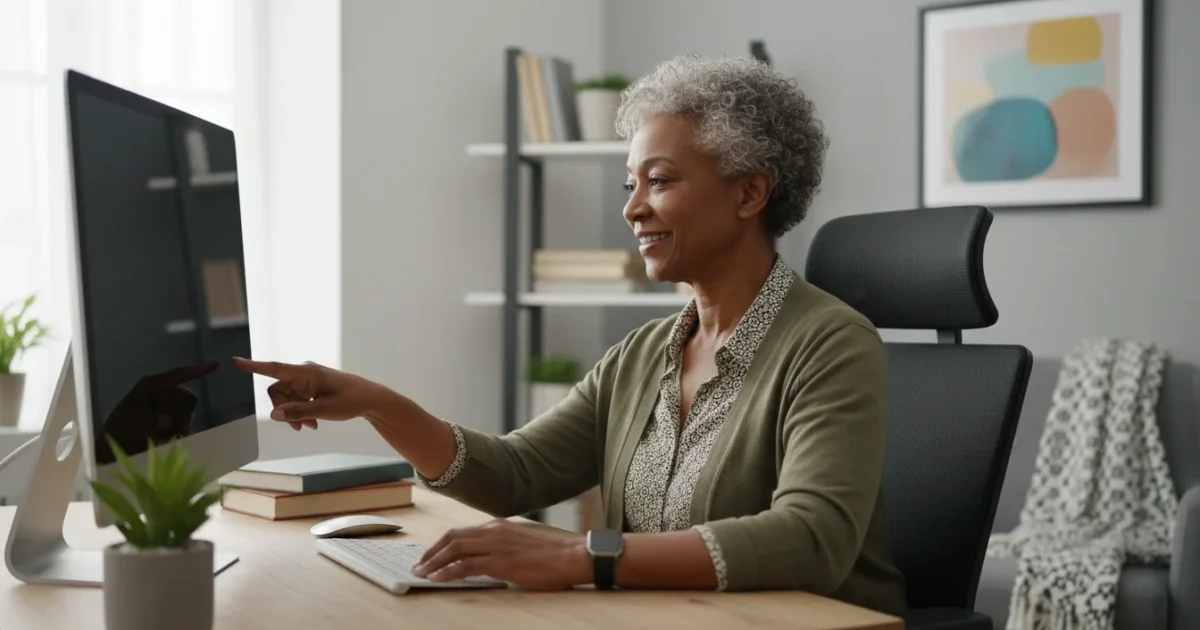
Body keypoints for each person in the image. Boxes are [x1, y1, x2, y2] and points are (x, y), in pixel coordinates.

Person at [234, 54, 907, 614]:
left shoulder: (832, 345)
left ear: (749, 194)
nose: (632, 206)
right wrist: (377, 401)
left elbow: (812, 537)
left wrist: (577, 555)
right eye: (630, 183)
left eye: (661, 181)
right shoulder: (644, 356)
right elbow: (514, 474)